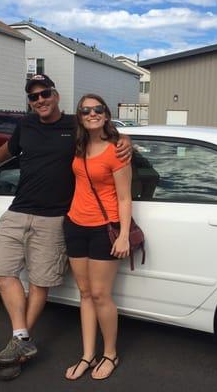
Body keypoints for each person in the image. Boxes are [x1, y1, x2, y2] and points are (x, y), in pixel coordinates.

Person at [0, 75, 131, 380]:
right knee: (9, 272)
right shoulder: (31, 126)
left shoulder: (80, 126)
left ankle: (108, 354)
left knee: (73, 288)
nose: (40, 100)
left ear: (56, 95)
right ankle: (32, 340)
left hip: (78, 222)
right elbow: (9, 149)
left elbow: (112, 141)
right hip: (50, 217)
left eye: (45, 93)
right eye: (33, 97)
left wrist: (127, 141)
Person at [63, 94, 132, 381]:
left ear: (106, 113)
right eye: (85, 110)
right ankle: (87, 355)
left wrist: (124, 235)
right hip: (75, 224)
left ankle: (110, 354)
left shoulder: (117, 150)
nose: (92, 114)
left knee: (102, 295)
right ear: (79, 116)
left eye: (97, 109)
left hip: (105, 229)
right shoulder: (78, 145)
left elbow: (125, 198)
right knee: (85, 293)